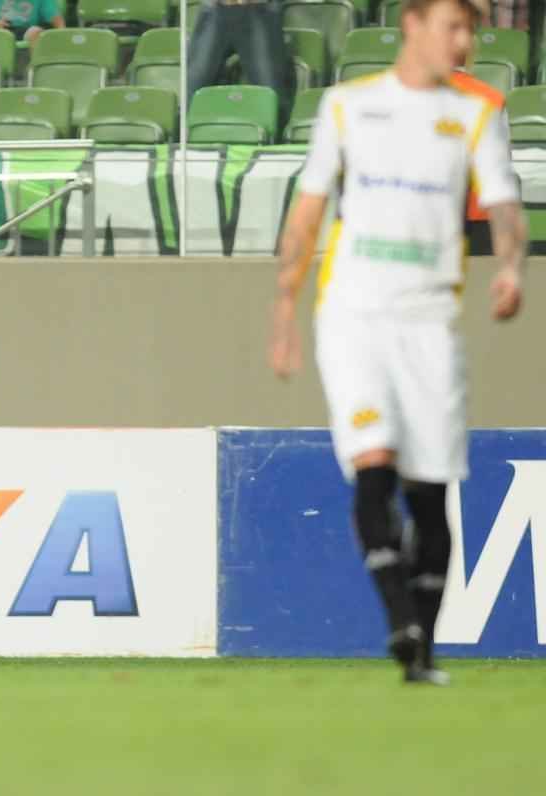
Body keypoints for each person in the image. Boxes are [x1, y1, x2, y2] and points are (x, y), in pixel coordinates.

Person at [268, 0, 525, 684]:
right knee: (374, 462)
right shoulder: (348, 106)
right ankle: (400, 623)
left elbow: (504, 204)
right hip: (352, 313)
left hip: (430, 321)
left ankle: (424, 651)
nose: (466, 42)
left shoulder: (478, 111)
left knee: (430, 491)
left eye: (471, 30)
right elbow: (308, 209)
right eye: (454, 26)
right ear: (412, 25)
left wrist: (510, 265)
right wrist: (284, 310)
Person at [186, 0, 292, 124]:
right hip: (215, 7)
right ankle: (188, 136)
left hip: (259, 7)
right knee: (193, 86)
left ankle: (276, 138)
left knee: (271, 90)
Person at [0, 0, 65, 48]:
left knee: (36, 31)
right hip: (1, 29)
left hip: (26, 29)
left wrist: (62, 35)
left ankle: (34, 69)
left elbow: (56, 18)